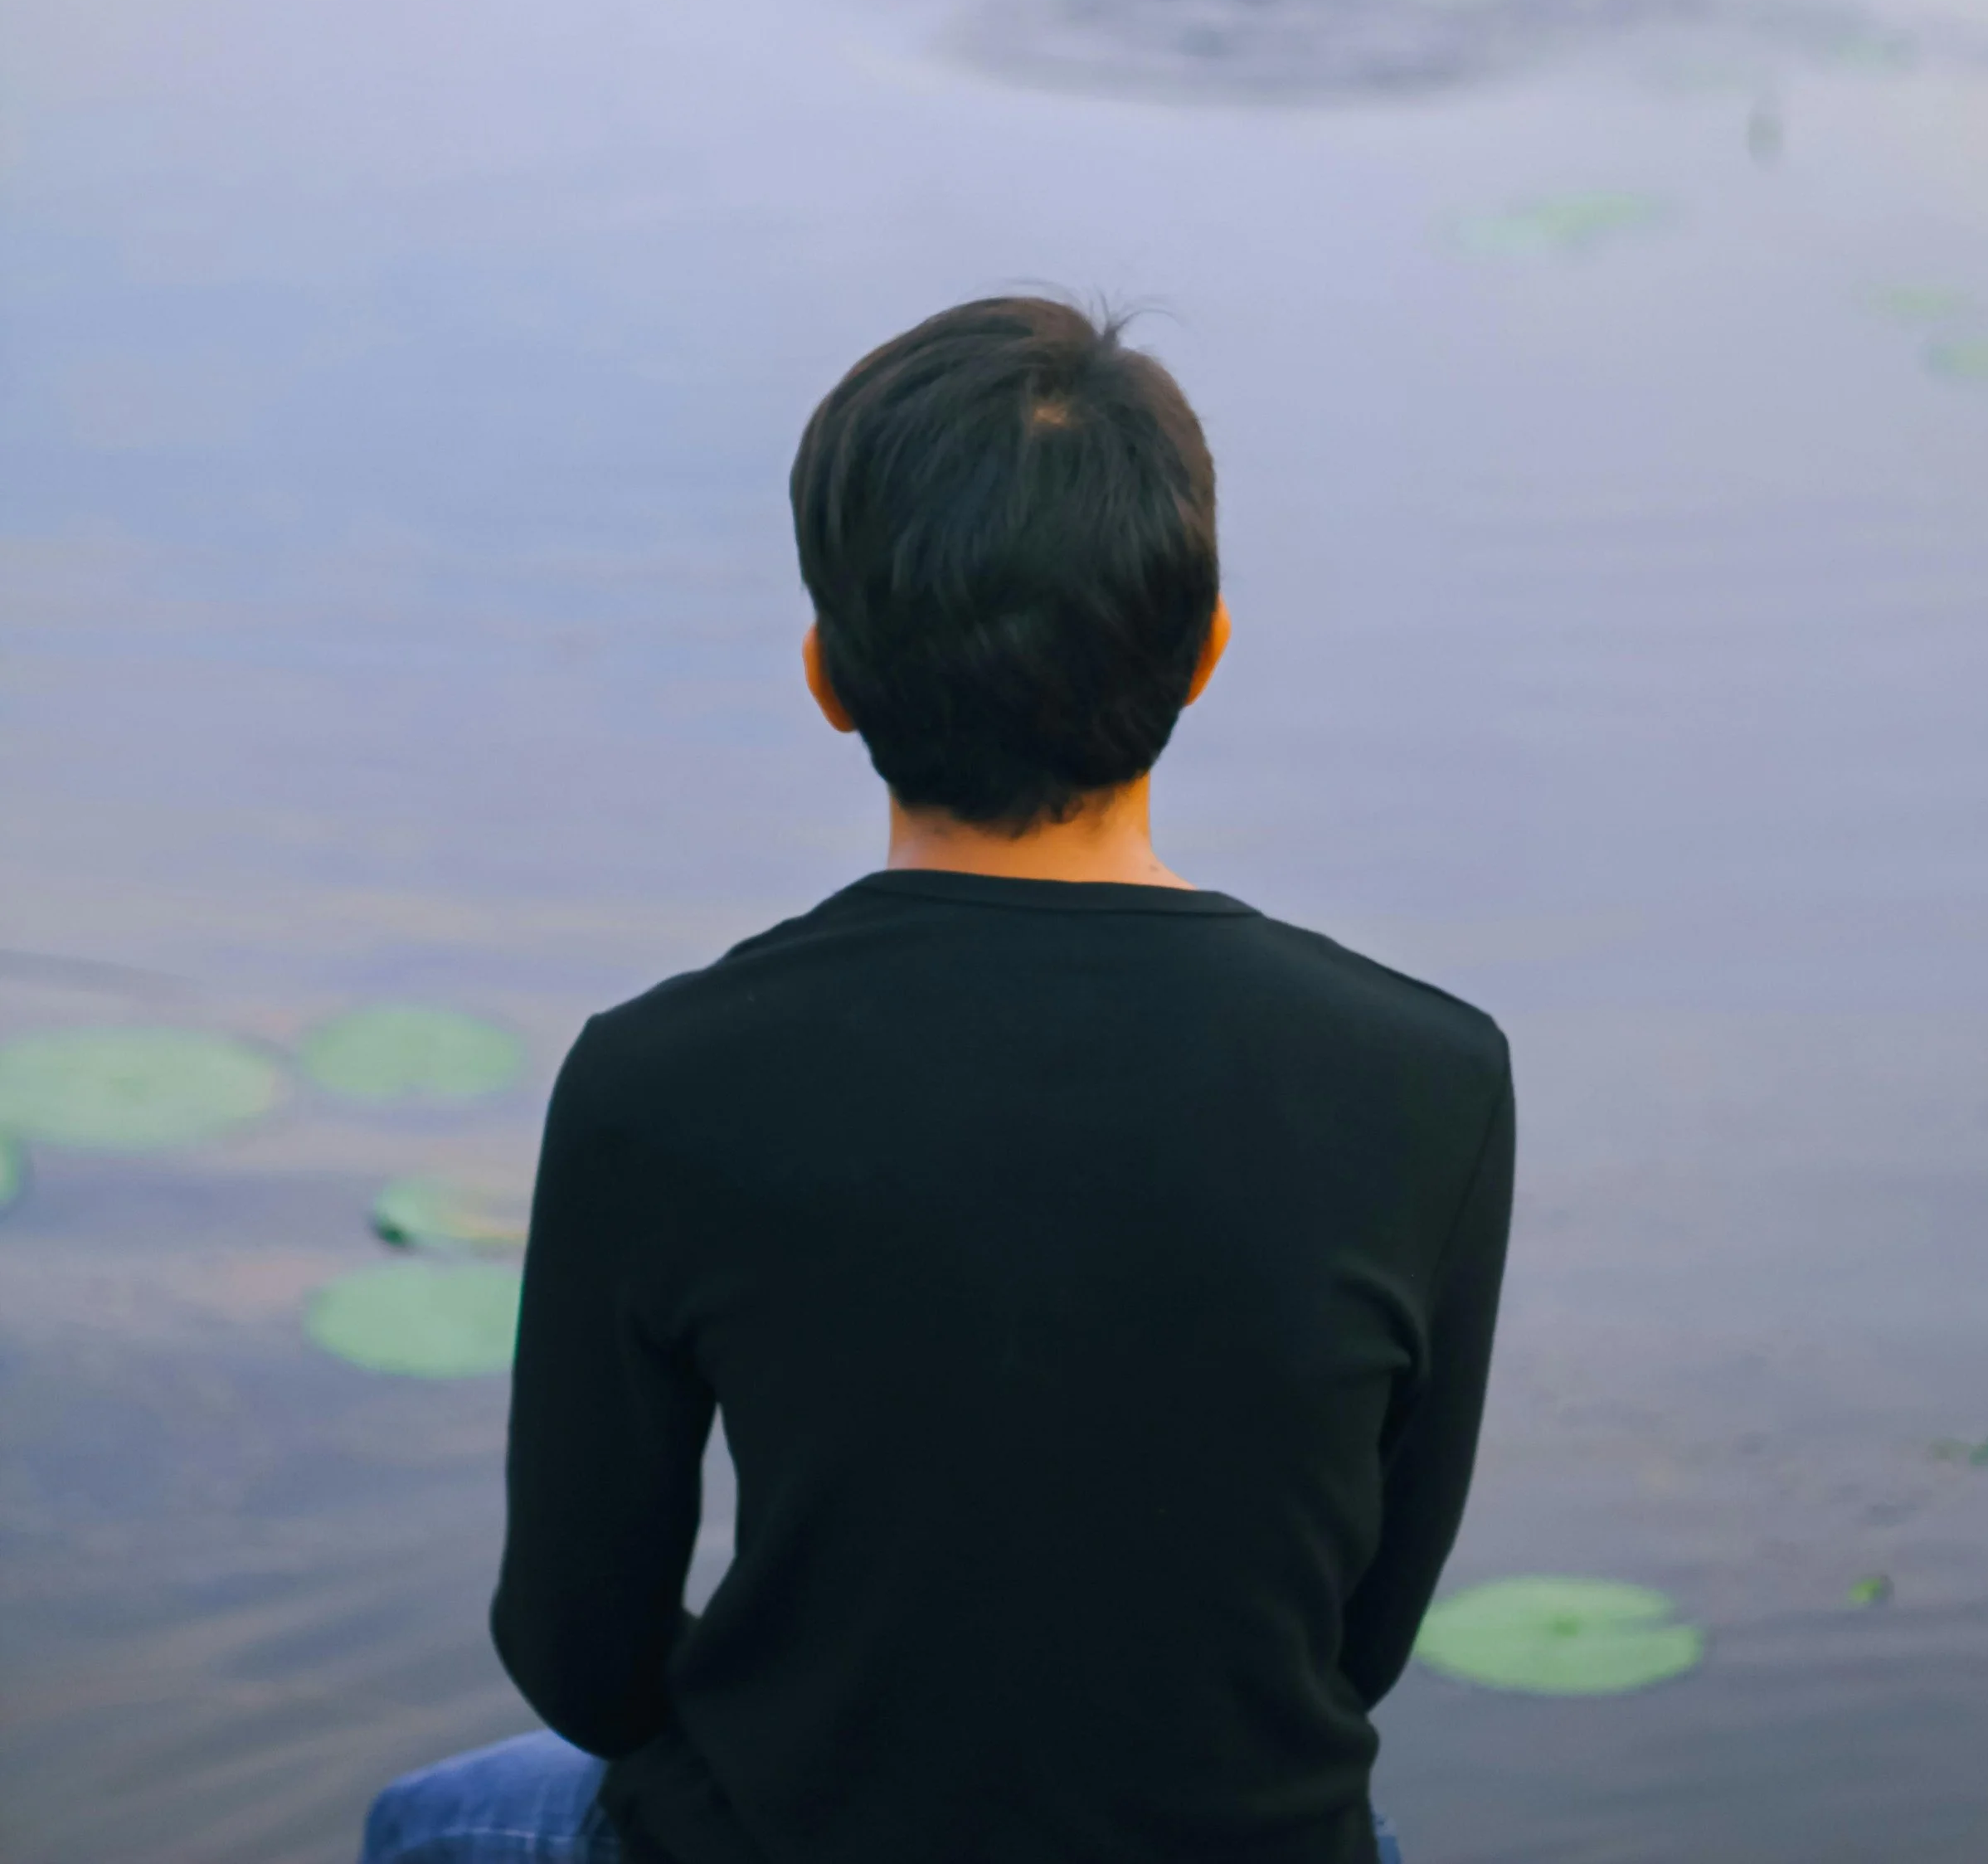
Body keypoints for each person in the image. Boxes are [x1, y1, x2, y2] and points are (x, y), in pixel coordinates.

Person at [360, 297, 1512, 1864]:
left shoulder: (660, 1080)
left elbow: (578, 1652)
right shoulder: (1431, 1080)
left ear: (829, 674)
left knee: (427, 1827)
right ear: (1207, 651)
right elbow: (1355, 1647)